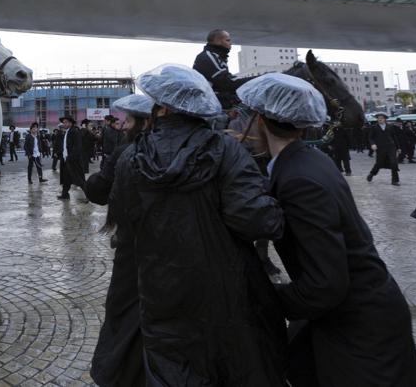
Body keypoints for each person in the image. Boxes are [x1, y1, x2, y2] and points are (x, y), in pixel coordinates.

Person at [238, 73, 416, 386]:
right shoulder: (308, 160)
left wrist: (265, 302)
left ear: (259, 119)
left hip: (359, 326)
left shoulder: (298, 179)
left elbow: (326, 283)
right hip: (350, 315)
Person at [115, 64, 286, 385]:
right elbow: (257, 222)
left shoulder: (130, 157)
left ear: (163, 108)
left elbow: (124, 227)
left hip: (156, 287)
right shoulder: (226, 150)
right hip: (223, 287)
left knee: (168, 364)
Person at [84, 93, 153, 387]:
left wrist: (92, 179)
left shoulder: (128, 152)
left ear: (144, 121)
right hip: (176, 253)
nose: (124, 125)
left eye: (129, 119)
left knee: (125, 312)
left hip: (134, 249)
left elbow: (98, 190)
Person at [192, 28, 254, 111]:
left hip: (214, 101)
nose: (231, 43)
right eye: (228, 40)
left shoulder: (218, 57)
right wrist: (258, 79)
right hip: (208, 104)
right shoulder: (208, 57)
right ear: (218, 41)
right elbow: (226, 82)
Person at [368, 113, 401, 185]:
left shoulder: (390, 127)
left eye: (381, 118)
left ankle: (395, 180)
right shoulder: (374, 127)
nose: (380, 119)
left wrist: (398, 147)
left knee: (394, 163)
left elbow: (394, 137)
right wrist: (373, 144)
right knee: (379, 163)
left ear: (385, 119)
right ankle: (371, 174)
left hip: (391, 147)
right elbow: (370, 138)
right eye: (378, 118)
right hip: (380, 148)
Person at [57, 115, 84, 200]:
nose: (64, 124)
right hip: (66, 159)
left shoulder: (74, 132)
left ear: (71, 123)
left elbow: (77, 147)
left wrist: (71, 157)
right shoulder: (67, 131)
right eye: (63, 122)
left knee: (79, 179)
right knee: (66, 178)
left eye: (66, 122)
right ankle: (65, 194)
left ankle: (90, 196)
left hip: (73, 160)